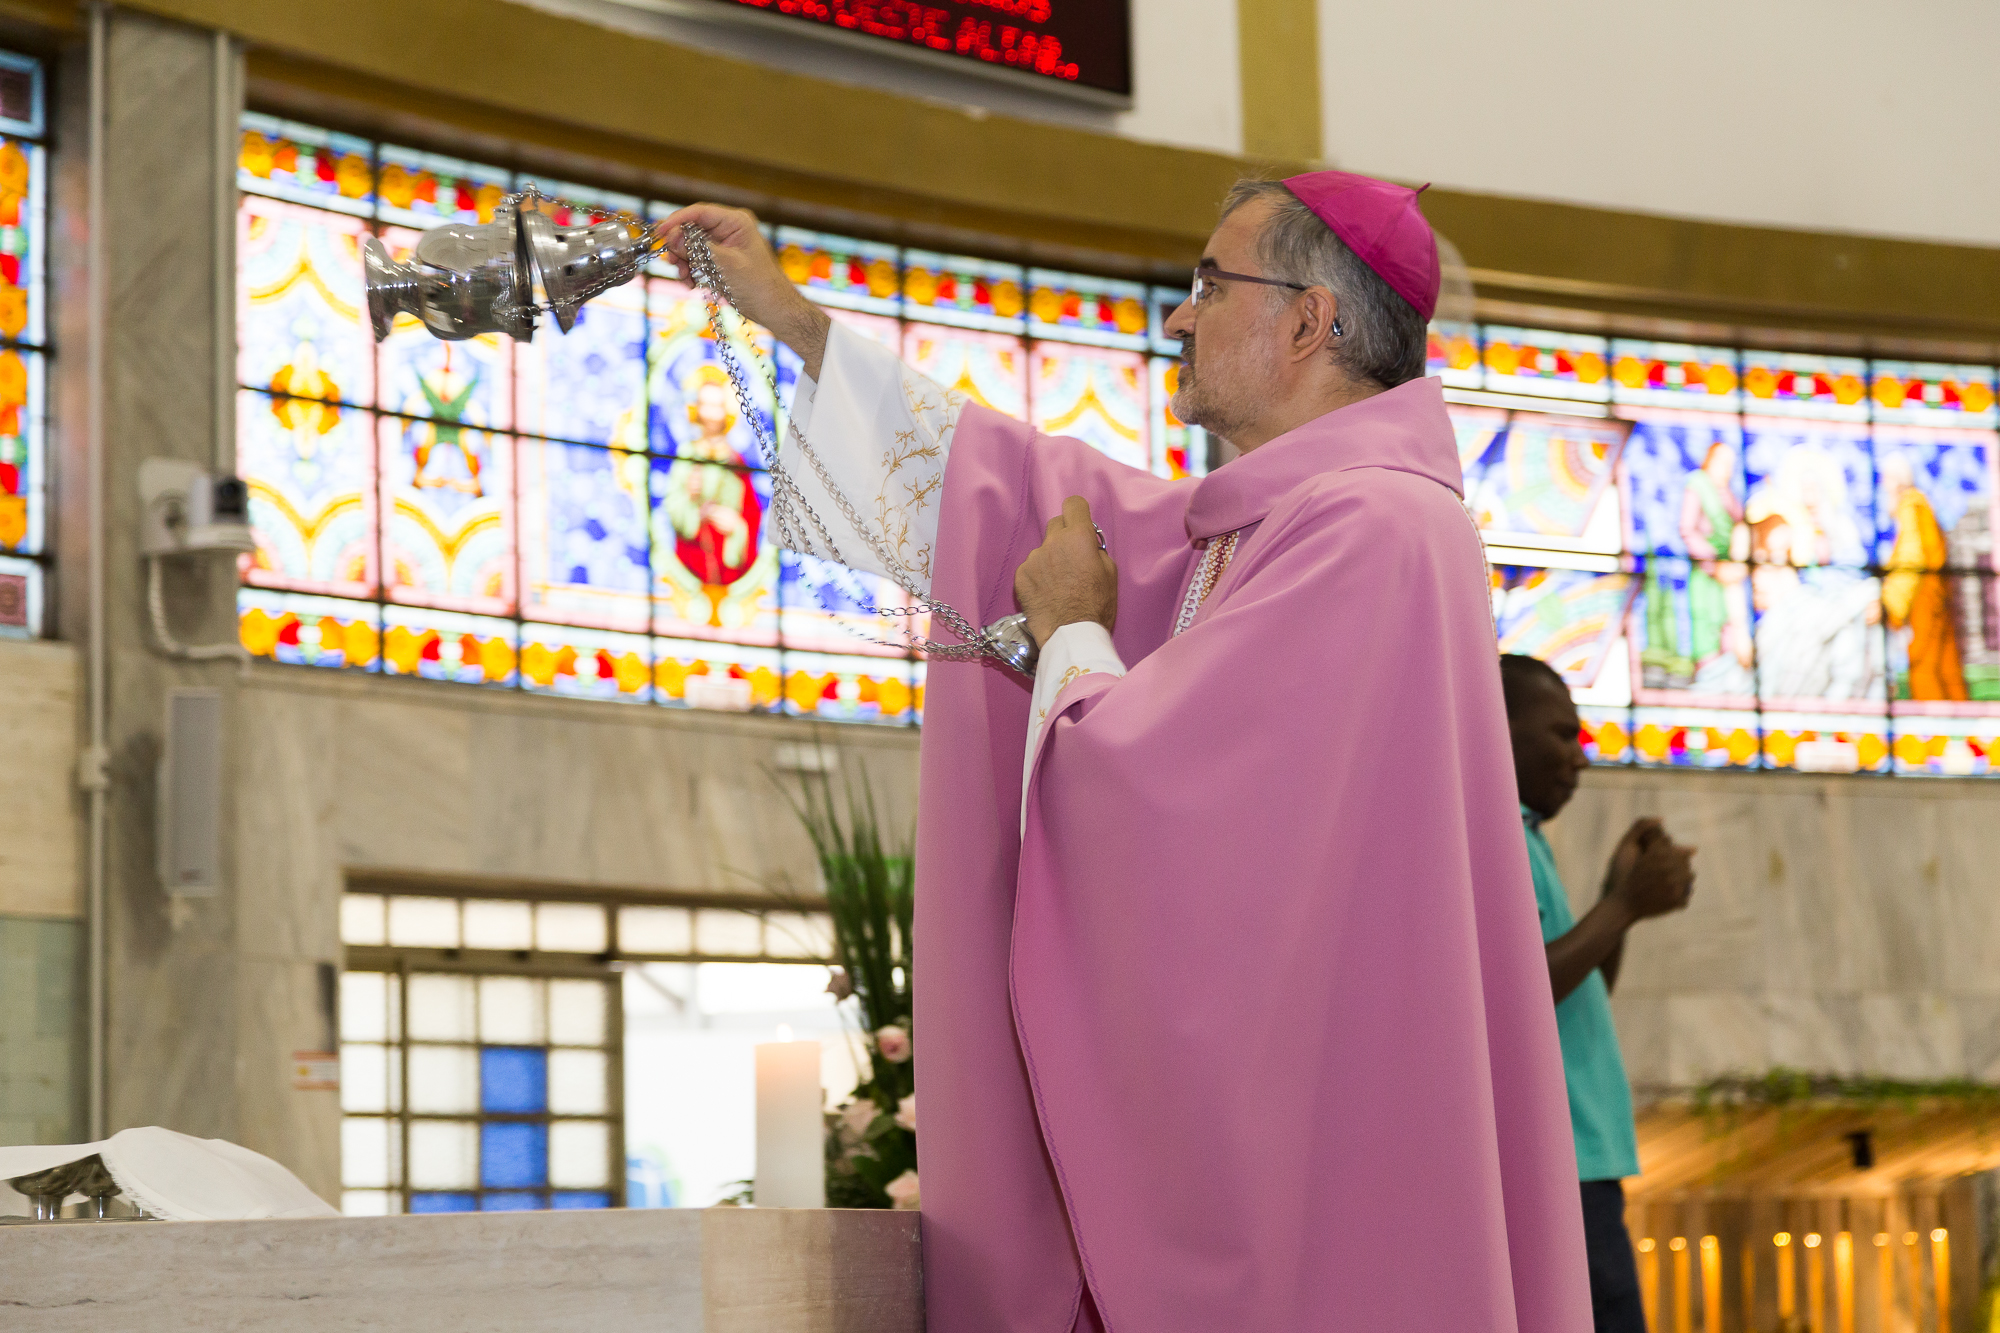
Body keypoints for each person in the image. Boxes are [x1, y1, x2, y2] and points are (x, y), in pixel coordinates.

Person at [658, 175, 1590, 1332]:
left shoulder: (1375, 526)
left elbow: (1160, 803)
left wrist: (1076, 631)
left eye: (1208, 283)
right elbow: (1016, 482)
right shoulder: (1272, 523)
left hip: (1333, 1168)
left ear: (1308, 321)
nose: (1177, 316)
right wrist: (791, 321)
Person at [1501, 653, 1697, 1333]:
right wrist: (1622, 906)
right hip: (1559, 1160)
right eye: (1561, 734)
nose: (1579, 758)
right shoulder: (1494, 836)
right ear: (1496, 725)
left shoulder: (1528, 837)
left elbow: (1579, 993)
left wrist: (1621, 902)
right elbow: (1519, 993)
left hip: (1585, 1154)